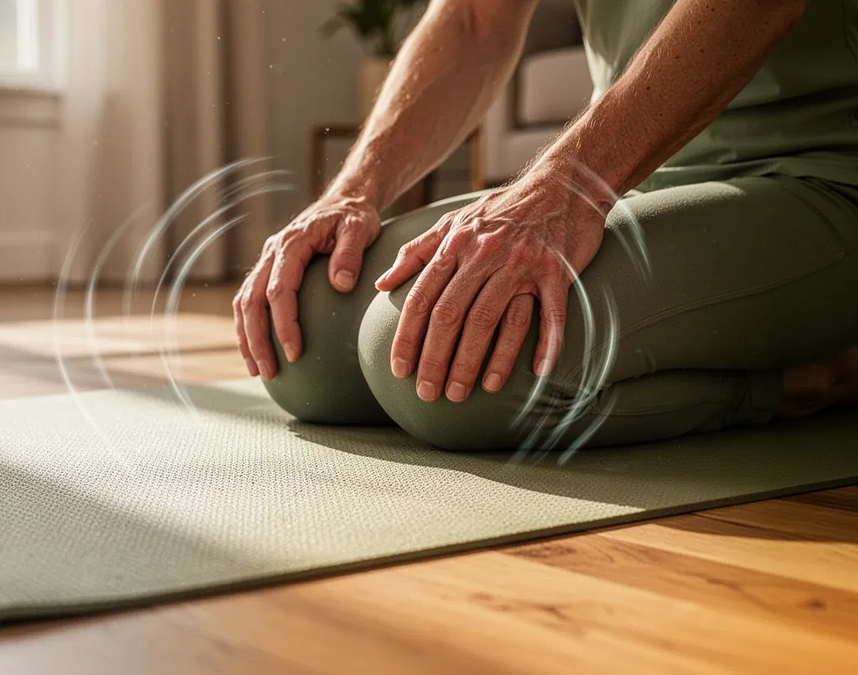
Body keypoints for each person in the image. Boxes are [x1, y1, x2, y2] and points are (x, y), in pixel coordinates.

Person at [232, 0, 858, 451]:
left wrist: (568, 184)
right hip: (643, 173)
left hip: (821, 174)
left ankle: (806, 377)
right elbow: (475, 17)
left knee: (464, 380)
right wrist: (352, 192)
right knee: (309, 338)